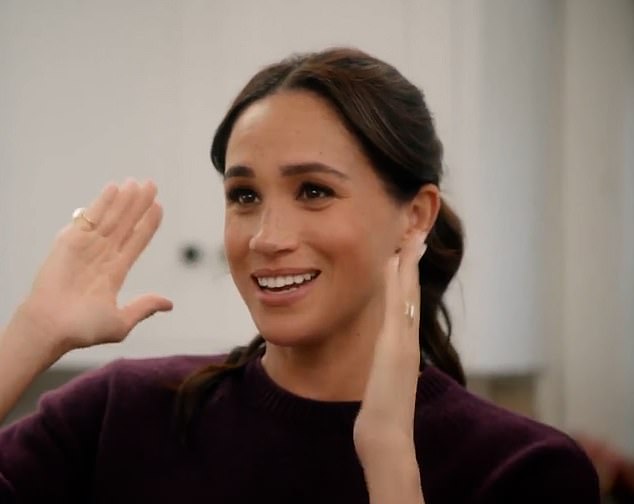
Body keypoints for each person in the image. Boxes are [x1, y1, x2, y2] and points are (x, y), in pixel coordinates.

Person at [0, 47, 599, 503]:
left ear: (415, 216)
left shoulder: (526, 471)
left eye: (313, 191)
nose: (266, 237)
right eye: (244, 195)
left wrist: (389, 456)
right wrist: (30, 333)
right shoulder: (118, 417)